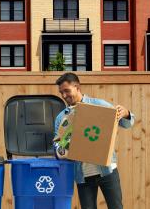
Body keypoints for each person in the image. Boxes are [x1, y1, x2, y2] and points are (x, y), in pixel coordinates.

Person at [53, 72, 135, 209]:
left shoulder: (99, 105)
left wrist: (126, 113)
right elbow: (57, 146)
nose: (64, 95)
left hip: (107, 170)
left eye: (67, 91)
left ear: (77, 87)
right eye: (61, 92)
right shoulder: (62, 118)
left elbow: (126, 124)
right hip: (83, 174)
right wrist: (62, 148)